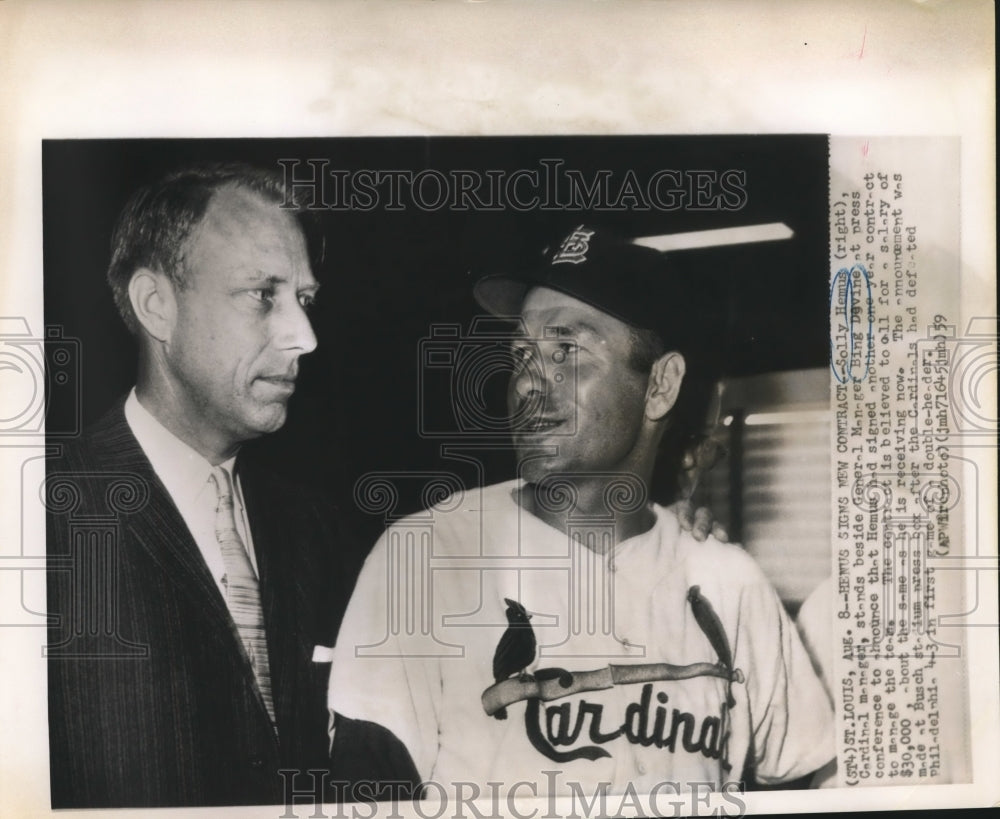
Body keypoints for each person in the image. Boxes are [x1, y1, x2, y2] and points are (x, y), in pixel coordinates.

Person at [327, 225, 835, 797]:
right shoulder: (426, 556)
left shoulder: (729, 582)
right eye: (522, 353)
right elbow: (364, 795)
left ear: (661, 386)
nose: (526, 383)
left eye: (566, 351)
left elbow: (809, 767)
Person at [45, 164, 366, 808]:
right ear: (156, 305)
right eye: (261, 294)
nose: (304, 337)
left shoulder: (322, 531)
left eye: (303, 298)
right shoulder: (38, 523)